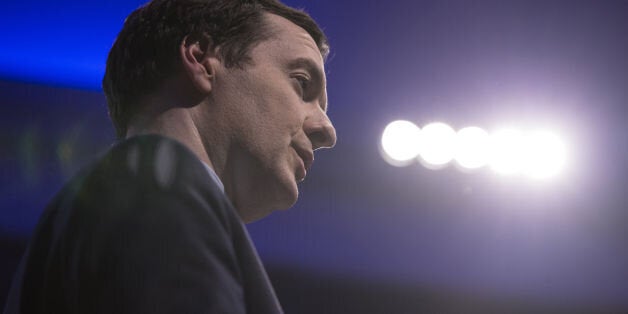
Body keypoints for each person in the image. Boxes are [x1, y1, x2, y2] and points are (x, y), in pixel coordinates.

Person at [3, 0, 336, 313]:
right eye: (302, 83)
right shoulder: (158, 183)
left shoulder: (108, 200)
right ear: (201, 59)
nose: (327, 131)